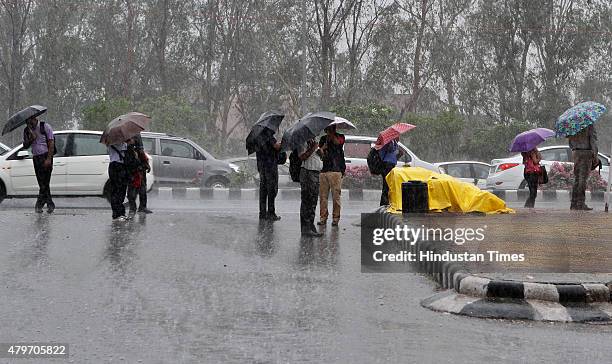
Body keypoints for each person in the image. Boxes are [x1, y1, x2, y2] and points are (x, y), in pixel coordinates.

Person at [22, 117, 55, 213]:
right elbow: (25, 145)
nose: (28, 124)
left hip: (46, 156)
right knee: (42, 183)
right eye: (27, 122)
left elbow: (51, 143)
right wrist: (31, 138)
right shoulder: (27, 130)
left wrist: (48, 159)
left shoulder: (45, 127)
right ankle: (49, 204)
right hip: (36, 158)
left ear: (34, 118)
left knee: (45, 182)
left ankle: (39, 205)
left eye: (29, 121)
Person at [317, 125, 345, 226]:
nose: (329, 130)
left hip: (336, 170)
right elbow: (319, 153)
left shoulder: (340, 136)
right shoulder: (323, 139)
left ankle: (335, 218)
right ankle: (323, 217)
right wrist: (322, 148)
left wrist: (332, 135)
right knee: (323, 197)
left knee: (336, 197)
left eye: (331, 128)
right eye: (328, 128)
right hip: (324, 170)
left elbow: (338, 143)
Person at [569, 124, 598, 210]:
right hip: (586, 152)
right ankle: (581, 203)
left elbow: (570, 142)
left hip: (576, 153)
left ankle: (573, 203)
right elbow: (593, 140)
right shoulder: (589, 124)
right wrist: (595, 155)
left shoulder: (572, 125)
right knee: (583, 178)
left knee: (577, 178)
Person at [299, 138, 323, 237]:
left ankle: (311, 226)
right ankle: (305, 228)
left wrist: (320, 151)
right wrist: (312, 148)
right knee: (307, 200)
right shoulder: (302, 142)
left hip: (315, 173)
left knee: (313, 201)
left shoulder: (314, 141)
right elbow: (302, 156)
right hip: (307, 173)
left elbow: (320, 156)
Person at [256, 128, 282, 220]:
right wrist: (282, 143)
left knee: (263, 190)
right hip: (270, 167)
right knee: (272, 190)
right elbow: (276, 147)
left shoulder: (258, 138)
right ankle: (271, 213)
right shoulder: (268, 136)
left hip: (262, 167)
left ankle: (262, 213)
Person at [126, 135, 152, 215]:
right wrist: (146, 163)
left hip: (129, 165)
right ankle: (142, 207)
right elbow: (141, 151)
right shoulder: (136, 134)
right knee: (142, 186)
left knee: (131, 186)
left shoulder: (123, 135)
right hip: (138, 166)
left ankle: (132, 207)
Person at [107, 140, 129, 221]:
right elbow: (124, 150)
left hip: (115, 166)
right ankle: (118, 213)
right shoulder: (117, 143)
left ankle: (118, 213)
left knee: (118, 190)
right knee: (118, 190)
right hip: (117, 166)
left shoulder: (110, 142)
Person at [378, 137, 403, 206]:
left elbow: (393, 157)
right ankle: (384, 203)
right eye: (397, 136)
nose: (399, 137)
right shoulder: (388, 142)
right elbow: (389, 152)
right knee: (387, 184)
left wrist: (399, 154)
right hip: (386, 166)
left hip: (391, 165)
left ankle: (386, 202)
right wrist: (394, 146)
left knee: (389, 184)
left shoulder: (394, 143)